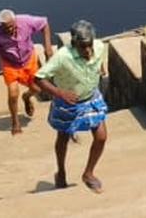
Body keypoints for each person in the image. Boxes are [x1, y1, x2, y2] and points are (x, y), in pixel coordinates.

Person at [34, 20, 109, 193]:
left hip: (91, 98)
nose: (88, 51)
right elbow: (39, 78)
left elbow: (98, 58)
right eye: (83, 47)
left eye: (89, 45)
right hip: (68, 103)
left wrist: (101, 68)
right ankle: (61, 172)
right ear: (74, 44)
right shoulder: (62, 56)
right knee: (63, 137)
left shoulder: (98, 46)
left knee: (101, 137)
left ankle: (88, 173)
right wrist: (59, 93)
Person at [0, 9, 53, 135]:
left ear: (15, 21)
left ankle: (26, 97)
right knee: (13, 93)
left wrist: (47, 49)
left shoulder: (26, 21)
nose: (9, 30)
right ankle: (15, 122)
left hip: (29, 60)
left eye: (11, 26)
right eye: (6, 28)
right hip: (10, 65)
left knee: (37, 89)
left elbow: (44, 23)